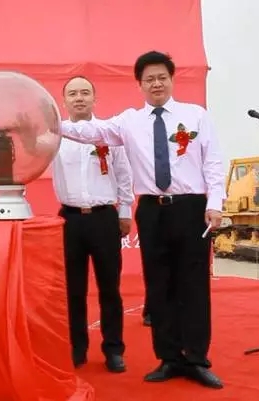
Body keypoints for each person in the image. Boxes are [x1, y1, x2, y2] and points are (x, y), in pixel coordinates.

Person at [61, 51, 226, 389]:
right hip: (152, 210)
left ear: (171, 79)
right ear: (139, 84)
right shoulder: (129, 121)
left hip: (191, 208)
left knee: (193, 285)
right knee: (158, 285)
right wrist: (46, 121)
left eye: (161, 77)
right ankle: (168, 357)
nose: (156, 84)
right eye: (149, 79)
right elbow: (90, 131)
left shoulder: (195, 116)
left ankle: (196, 358)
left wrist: (215, 203)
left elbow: (213, 162)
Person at [52, 76, 134, 373]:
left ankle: (113, 349)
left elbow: (124, 174)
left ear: (94, 98)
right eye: (73, 94)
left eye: (85, 93)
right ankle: (77, 347)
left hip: (103, 218)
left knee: (109, 287)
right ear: (64, 101)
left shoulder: (109, 133)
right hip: (70, 219)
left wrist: (125, 211)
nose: (79, 98)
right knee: (73, 289)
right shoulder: (54, 135)